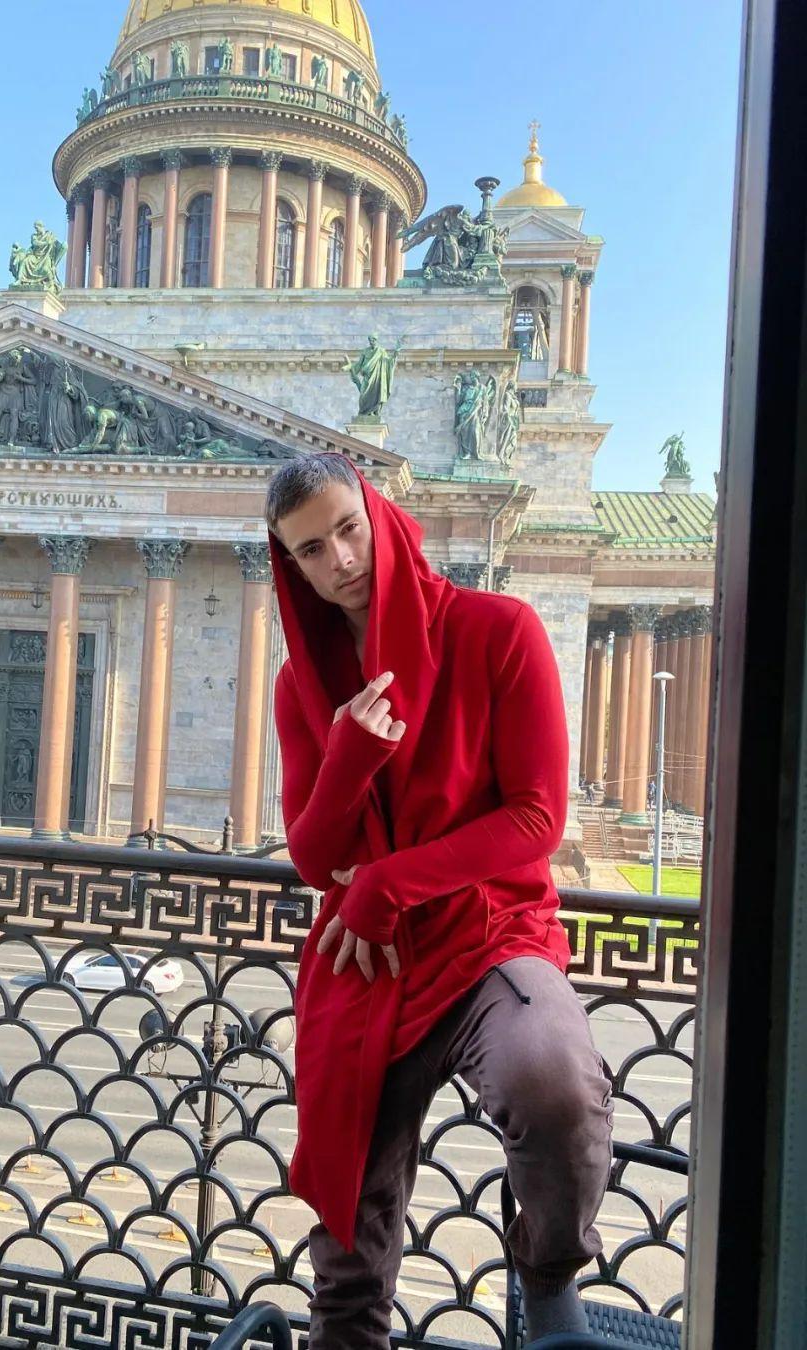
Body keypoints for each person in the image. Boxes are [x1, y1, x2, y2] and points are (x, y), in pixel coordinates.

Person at [265, 453, 613, 1348]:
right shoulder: (300, 683)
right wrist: (349, 756)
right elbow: (312, 855)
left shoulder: (499, 630)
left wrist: (388, 882)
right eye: (311, 550)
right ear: (290, 565)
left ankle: (548, 1275)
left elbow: (536, 818)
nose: (340, 559)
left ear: (378, 515)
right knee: (349, 1242)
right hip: (364, 959)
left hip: (488, 934)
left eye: (347, 529)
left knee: (554, 1083)